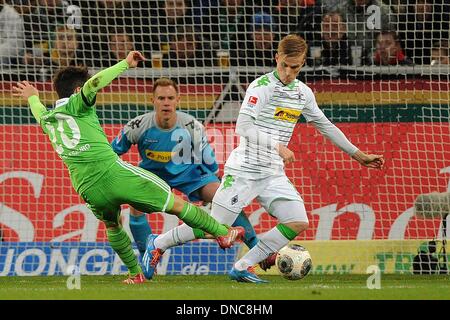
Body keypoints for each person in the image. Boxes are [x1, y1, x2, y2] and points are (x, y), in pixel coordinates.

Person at [144, 34, 385, 283]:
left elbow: (326, 126)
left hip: (272, 173)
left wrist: (358, 155)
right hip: (245, 170)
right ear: (277, 58)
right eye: (285, 66)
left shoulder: (303, 93)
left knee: (297, 220)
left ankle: (243, 265)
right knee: (213, 226)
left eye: (296, 67)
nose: (289, 72)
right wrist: (277, 146)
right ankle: (158, 243)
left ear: (302, 64)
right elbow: (243, 126)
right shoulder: (261, 87)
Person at [12, 51, 244, 284]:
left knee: (113, 226)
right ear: (76, 91)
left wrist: (33, 96)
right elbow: (94, 83)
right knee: (177, 204)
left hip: (86, 187)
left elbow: (38, 110)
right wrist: (125, 63)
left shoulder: (48, 119)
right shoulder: (78, 104)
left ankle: (135, 273)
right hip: (112, 173)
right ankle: (223, 233)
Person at [111, 77, 258, 275]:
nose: (166, 102)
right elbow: (112, 153)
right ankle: (148, 259)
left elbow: (208, 159)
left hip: (188, 173)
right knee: (135, 208)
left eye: (170, 98)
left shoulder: (191, 126)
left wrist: (217, 180)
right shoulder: (137, 126)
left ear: (178, 100)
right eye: (161, 98)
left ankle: (257, 249)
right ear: (152, 100)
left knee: (225, 198)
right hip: (153, 174)